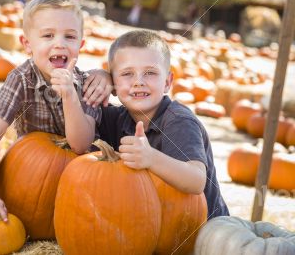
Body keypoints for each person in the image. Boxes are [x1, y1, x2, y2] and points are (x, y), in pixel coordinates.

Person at [0, 0, 112, 230]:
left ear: (81, 44)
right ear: (27, 44)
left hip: (78, 183)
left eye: (69, 36)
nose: (59, 43)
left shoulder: (88, 85)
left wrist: (69, 95)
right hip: (30, 177)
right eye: (48, 35)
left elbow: (80, 145)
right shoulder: (20, 79)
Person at [97, 30, 229, 219]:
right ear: (113, 85)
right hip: (154, 226)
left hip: (202, 232)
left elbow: (197, 180)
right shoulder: (117, 117)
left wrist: (150, 158)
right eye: (127, 74)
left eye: (150, 73)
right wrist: (97, 76)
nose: (138, 82)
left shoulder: (179, 121)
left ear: (167, 82)